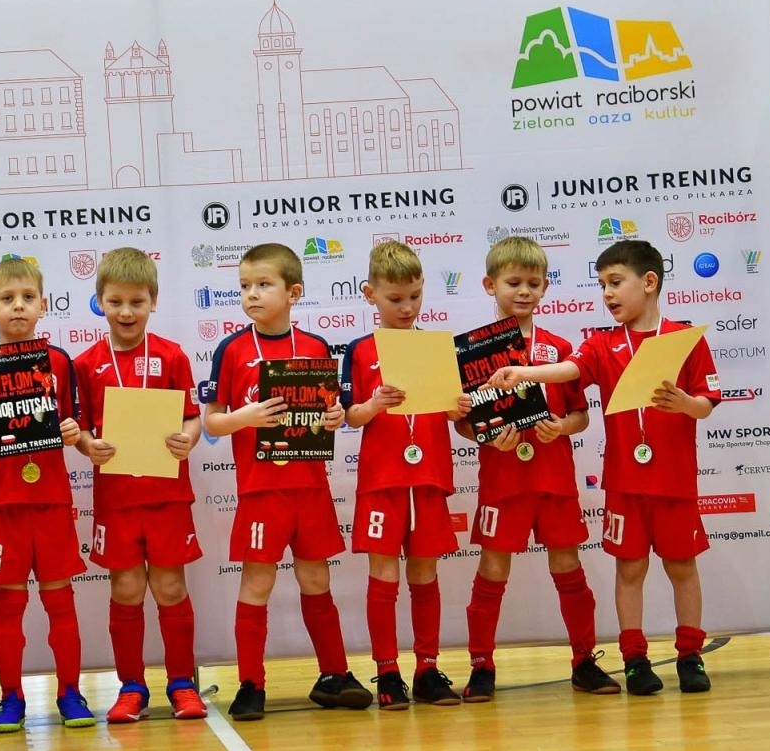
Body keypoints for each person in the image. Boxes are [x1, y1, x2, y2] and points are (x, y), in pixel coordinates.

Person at [488, 240, 720, 696]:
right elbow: (569, 369)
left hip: (674, 482)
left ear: (649, 282)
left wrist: (685, 403)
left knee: (682, 567)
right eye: (602, 286)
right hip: (625, 482)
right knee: (629, 569)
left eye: (616, 283)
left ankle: (690, 655)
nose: (608, 295)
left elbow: (706, 404)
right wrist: (528, 374)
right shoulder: (601, 342)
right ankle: (634, 659)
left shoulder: (684, 338)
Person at [202, 242, 369, 720]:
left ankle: (334, 675)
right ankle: (251, 683)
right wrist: (245, 415)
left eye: (263, 285)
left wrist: (336, 415)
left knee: (316, 578)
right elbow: (211, 422)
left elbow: (332, 410)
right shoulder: (232, 349)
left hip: (310, 485)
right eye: (244, 287)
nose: (251, 295)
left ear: (293, 291)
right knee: (257, 581)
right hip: (261, 489)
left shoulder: (316, 347)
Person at [456, 236, 619, 702]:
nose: (523, 291)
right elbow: (466, 425)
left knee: (568, 564)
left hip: (552, 477)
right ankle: (481, 665)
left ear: (546, 287)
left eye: (533, 283)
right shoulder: (473, 351)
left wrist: (562, 426)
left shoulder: (560, 347)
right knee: (492, 568)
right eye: (513, 282)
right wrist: (486, 435)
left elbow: (582, 415)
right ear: (491, 285)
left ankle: (584, 661)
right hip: (503, 479)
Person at [0, 257, 91, 733]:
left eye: (27, 298)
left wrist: (75, 431)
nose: (18, 307)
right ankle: (10, 696)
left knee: (60, 601)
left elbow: (74, 424)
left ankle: (71, 692)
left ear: (44, 305)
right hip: (2, 505)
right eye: (7, 299)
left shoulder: (59, 362)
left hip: (51, 501)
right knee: (8, 605)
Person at [73, 248, 207, 723]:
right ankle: (131, 686)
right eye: (115, 302)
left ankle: (182, 684)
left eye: (136, 302)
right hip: (117, 499)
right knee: (126, 588)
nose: (126, 312)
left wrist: (186, 440)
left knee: (170, 587)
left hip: (167, 496)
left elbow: (193, 418)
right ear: (99, 302)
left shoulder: (171, 355)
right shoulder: (86, 364)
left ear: (153, 301)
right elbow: (82, 430)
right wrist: (90, 446)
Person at [338, 240, 467, 709]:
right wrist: (373, 405)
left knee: (426, 572)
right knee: (383, 573)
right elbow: (350, 416)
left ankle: (429, 668)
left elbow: (459, 416)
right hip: (382, 479)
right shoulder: (358, 350)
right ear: (370, 294)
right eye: (396, 298)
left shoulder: (439, 346)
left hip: (429, 475)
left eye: (414, 295)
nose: (407, 307)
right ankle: (387, 671)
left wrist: (460, 411)